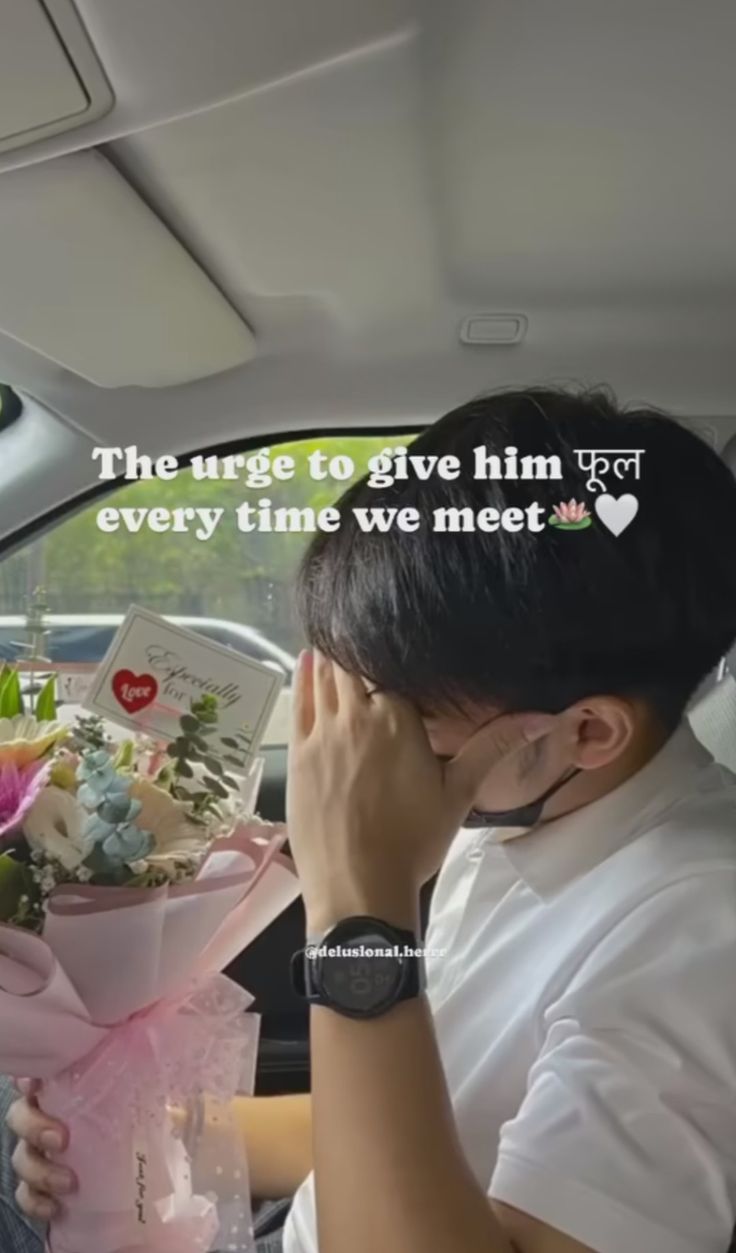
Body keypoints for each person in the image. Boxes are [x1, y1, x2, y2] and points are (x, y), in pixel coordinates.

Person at [5, 385, 736, 1253]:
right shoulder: (516, 810)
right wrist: (152, 1132)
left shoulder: (698, 934)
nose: (354, 742)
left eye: (395, 717)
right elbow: (437, 1113)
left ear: (587, 730)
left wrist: (363, 907)